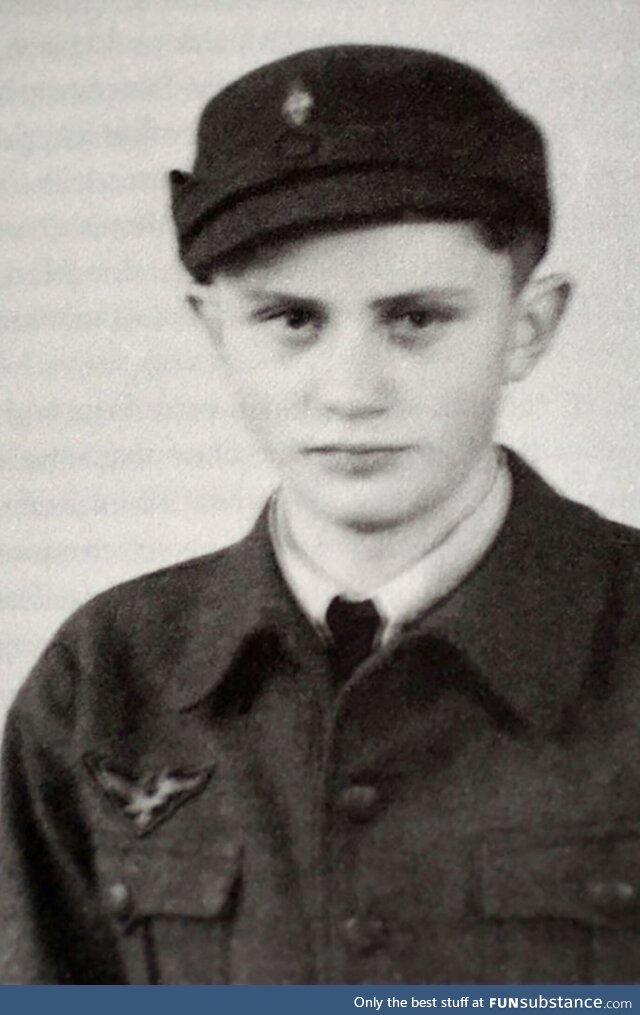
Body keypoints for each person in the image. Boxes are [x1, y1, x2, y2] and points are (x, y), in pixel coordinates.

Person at [2, 43, 640, 987]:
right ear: (212, 329)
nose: (351, 393)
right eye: (292, 319)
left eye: (417, 318)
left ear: (528, 327)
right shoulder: (104, 680)